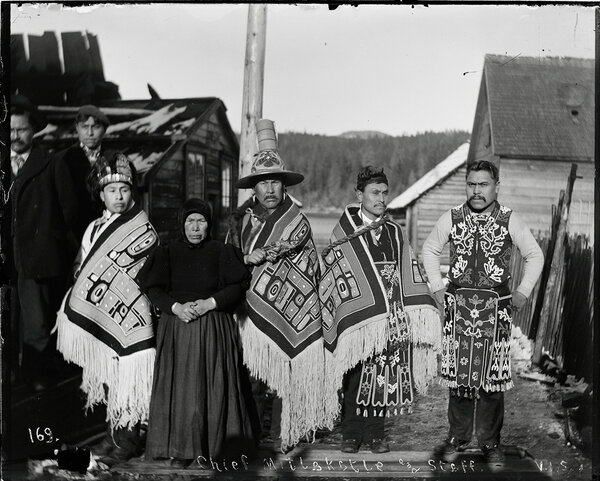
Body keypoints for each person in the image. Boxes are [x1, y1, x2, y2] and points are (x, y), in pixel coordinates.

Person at [421, 160, 544, 466]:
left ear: (496, 186)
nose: (477, 191)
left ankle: (490, 443)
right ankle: (458, 438)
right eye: (472, 184)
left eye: (483, 184)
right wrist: (438, 287)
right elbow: (429, 249)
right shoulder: (452, 218)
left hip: (496, 311)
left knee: (492, 382)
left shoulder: (509, 219)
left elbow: (534, 254)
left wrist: (522, 292)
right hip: (459, 310)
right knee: (460, 378)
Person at [319, 166, 441, 454]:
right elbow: (335, 274)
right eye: (375, 193)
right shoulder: (344, 232)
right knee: (354, 376)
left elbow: (407, 269)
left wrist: (420, 307)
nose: (382, 199)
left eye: (385, 193)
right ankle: (351, 434)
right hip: (357, 318)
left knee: (382, 374)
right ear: (359, 194)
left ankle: (376, 433)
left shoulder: (393, 232)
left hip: (389, 317)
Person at [228, 119, 328, 452]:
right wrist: (244, 260)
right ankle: (253, 438)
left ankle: (285, 434)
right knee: (255, 377)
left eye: (275, 183)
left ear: (284, 186)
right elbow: (232, 260)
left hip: (292, 311)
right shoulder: (242, 222)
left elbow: (298, 252)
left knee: (286, 377)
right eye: (262, 183)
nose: (269, 189)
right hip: (252, 312)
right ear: (253, 188)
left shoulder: (297, 221)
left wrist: (262, 254)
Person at [56, 153, 159, 462]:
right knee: (109, 377)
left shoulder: (143, 229)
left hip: (131, 315)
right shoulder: (93, 229)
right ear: (101, 194)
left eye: (124, 190)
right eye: (112, 191)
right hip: (101, 313)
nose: (118, 196)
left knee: (128, 376)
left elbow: (145, 272)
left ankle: (126, 440)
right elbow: (82, 266)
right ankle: (112, 435)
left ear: (132, 192)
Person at [140, 199, 255, 468]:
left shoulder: (221, 251)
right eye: (190, 221)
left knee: (212, 387)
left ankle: (212, 449)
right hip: (178, 328)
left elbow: (237, 287)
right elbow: (153, 289)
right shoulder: (167, 252)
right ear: (182, 224)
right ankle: (181, 450)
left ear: (209, 224)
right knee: (180, 389)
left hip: (213, 326)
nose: (195, 227)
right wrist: (176, 307)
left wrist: (209, 304)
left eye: (201, 221)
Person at [10, 95, 80, 391]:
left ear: (34, 130)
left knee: (37, 326)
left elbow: (71, 216)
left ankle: (37, 385)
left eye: (21, 129)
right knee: (9, 322)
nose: (15, 136)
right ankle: (11, 379)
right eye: (9, 130)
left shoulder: (50, 164)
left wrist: (57, 257)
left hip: (37, 261)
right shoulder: (3, 165)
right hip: (7, 258)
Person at [54, 105, 111, 240]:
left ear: (104, 130)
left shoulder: (113, 158)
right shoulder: (62, 159)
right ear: (77, 128)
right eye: (85, 127)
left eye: (96, 127)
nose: (90, 133)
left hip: (107, 232)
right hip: (72, 235)